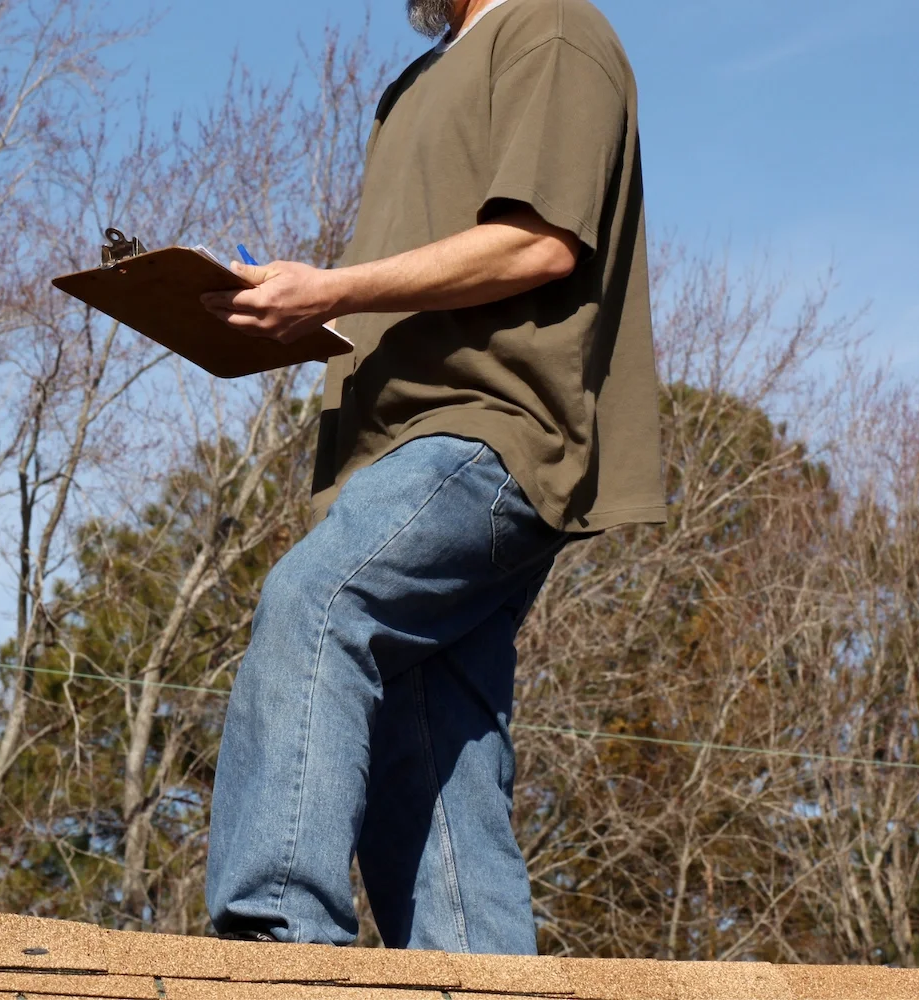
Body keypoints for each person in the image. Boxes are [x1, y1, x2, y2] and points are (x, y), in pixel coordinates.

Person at [198, 0, 664, 953]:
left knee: (315, 603)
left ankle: (276, 940)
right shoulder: (413, 85)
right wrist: (288, 314)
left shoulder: (555, 29)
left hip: (490, 430)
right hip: (388, 445)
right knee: (433, 744)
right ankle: (476, 970)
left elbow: (540, 242)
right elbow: (416, 287)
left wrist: (328, 285)